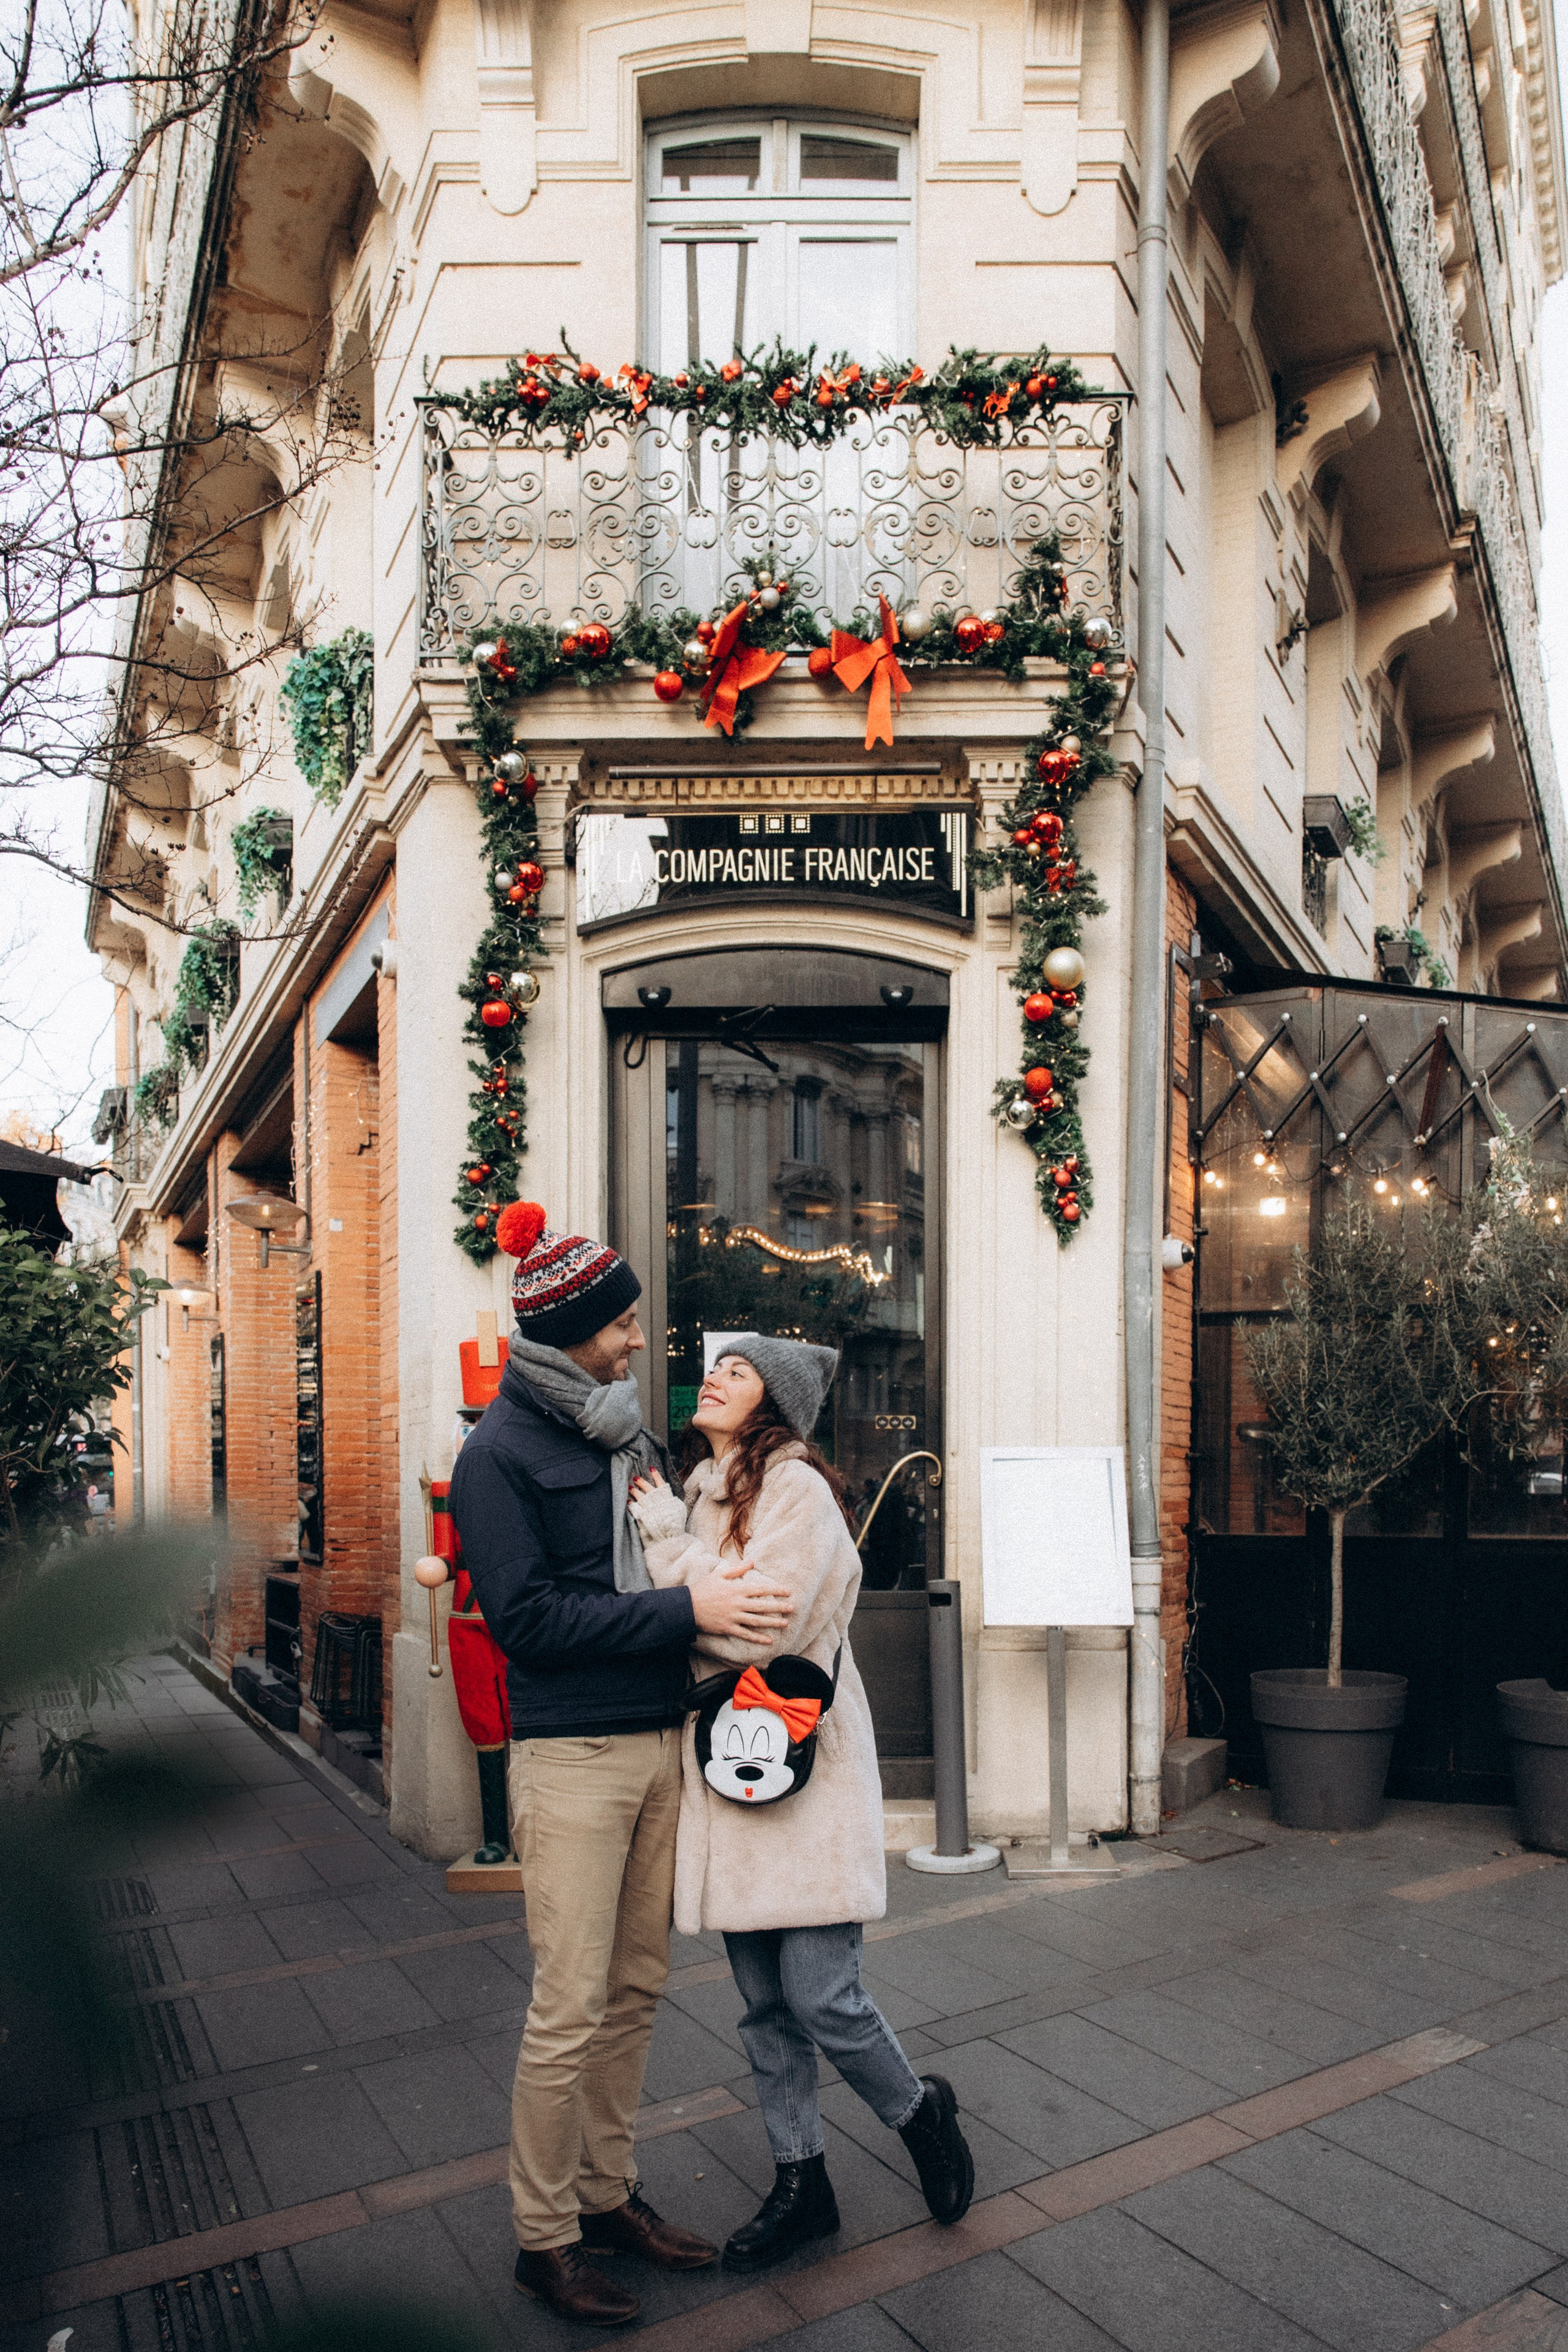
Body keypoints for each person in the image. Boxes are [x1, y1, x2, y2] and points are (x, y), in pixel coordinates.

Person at [452, 1207, 796, 2325]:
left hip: (660, 1743)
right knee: (568, 2004)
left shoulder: (632, 1441)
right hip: (573, 1756)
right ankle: (542, 2238)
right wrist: (682, 1607)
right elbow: (528, 1624)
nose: (643, 1340)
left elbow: (678, 1554)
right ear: (576, 1330)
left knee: (637, 1988)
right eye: (629, 1324)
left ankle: (607, 2198)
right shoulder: (496, 1455)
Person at [627, 1335, 974, 2270]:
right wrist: (694, 1572)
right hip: (732, 1769)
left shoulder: (796, 1491)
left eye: (737, 1372)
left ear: (774, 1401)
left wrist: (668, 1552)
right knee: (762, 2007)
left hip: (799, 1768)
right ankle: (801, 2182)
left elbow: (759, 1629)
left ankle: (919, 2112)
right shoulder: (700, 1488)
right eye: (717, 1366)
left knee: (825, 1996)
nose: (715, 1377)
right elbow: (712, 1613)